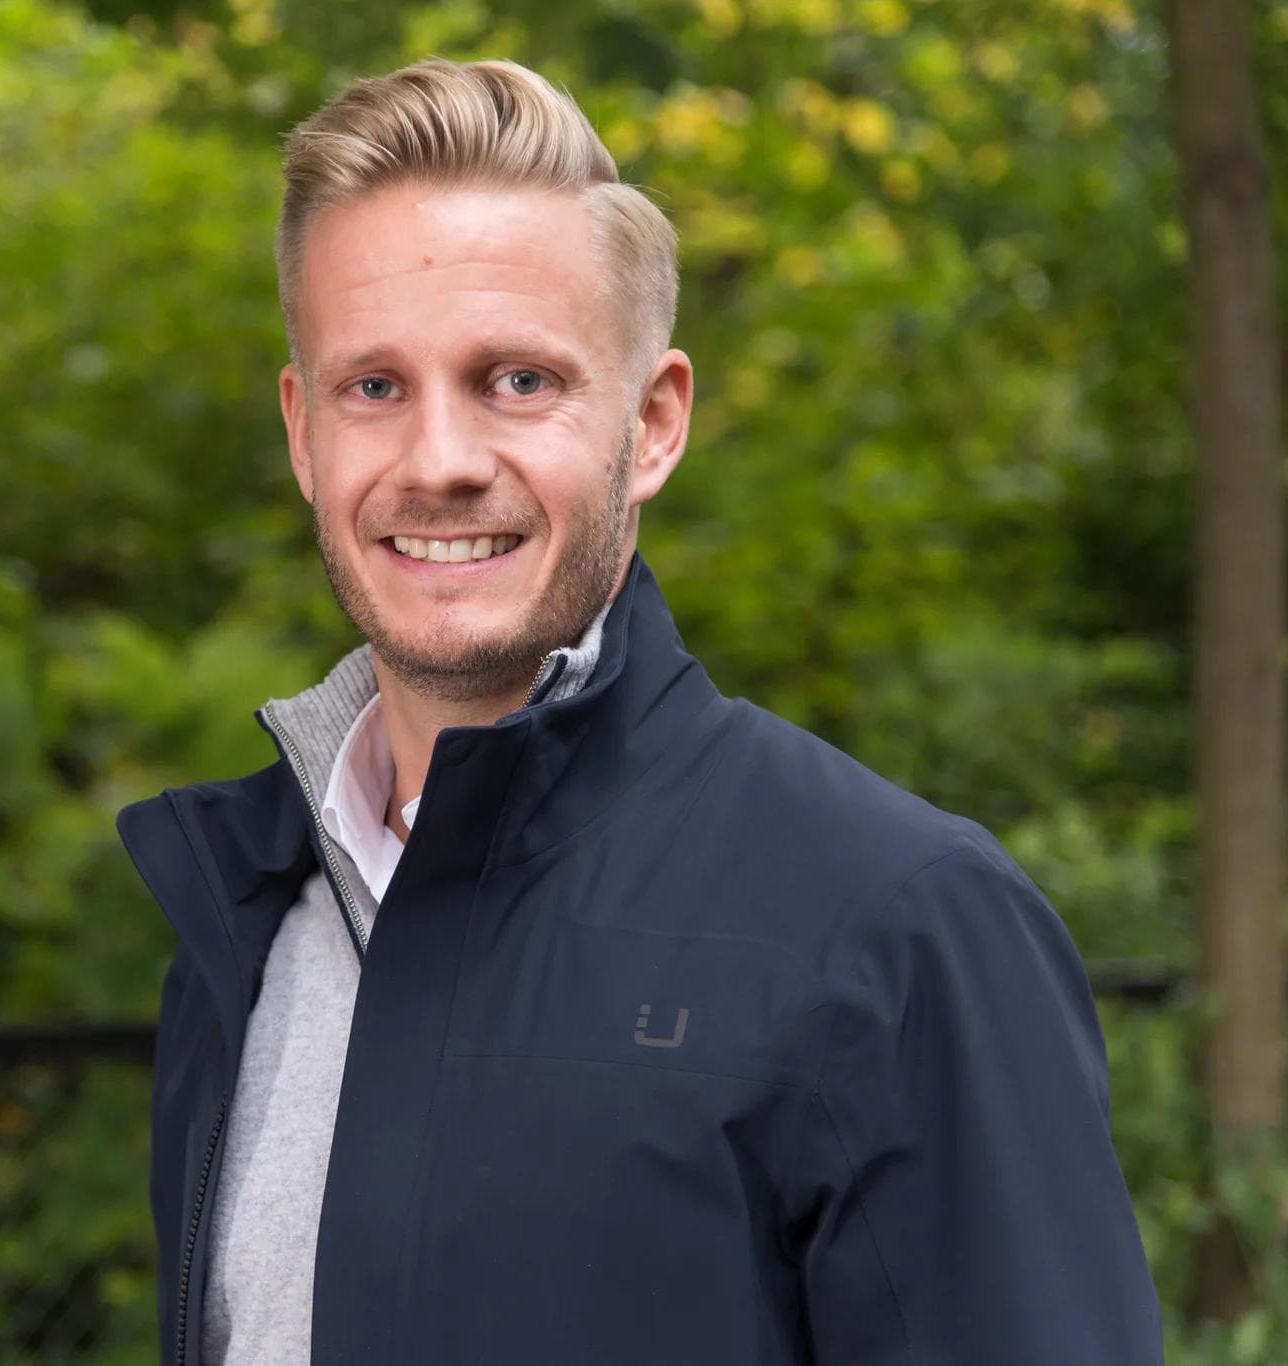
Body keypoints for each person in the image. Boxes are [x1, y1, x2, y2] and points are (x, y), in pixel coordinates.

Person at [117, 57, 1163, 1366]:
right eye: (373, 387)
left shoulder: (898, 926)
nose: (440, 461)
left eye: (518, 381)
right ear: (302, 432)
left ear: (654, 422)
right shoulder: (247, 923)